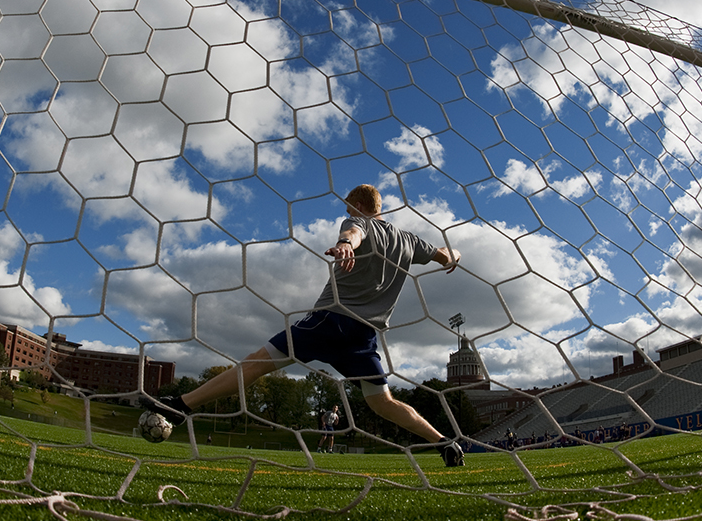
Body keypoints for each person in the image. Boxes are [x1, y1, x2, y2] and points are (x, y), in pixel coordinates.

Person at [144, 184, 464, 466]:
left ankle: (180, 406)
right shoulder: (409, 242)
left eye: (348, 207)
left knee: (257, 363)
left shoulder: (357, 221)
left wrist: (346, 244)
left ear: (361, 207)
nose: (347, 212)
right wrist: (453, 257)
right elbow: (445, 254)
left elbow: (354, 232)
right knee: (382, 402)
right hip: (363, 336)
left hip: (330, 321)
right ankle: (444, 443)